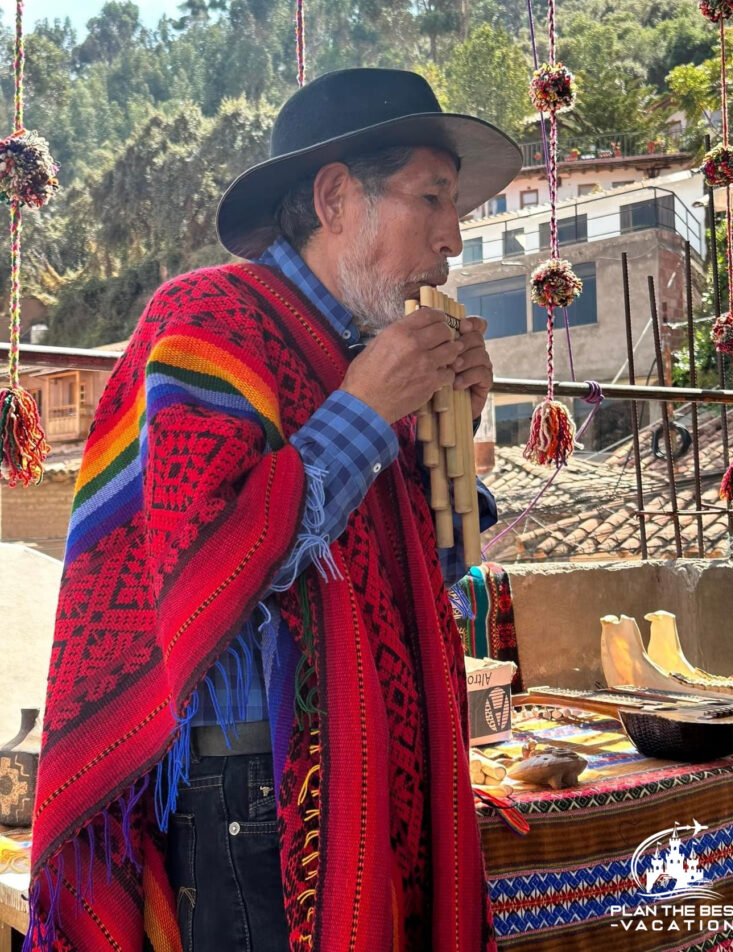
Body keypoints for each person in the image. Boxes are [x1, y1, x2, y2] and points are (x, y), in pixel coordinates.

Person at [27, 68, 522, 952]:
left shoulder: (372, 351)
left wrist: (451, 438)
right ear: (337, 197)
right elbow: (205, 557)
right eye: (432, 198)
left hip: (390, 772)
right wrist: (365, 412)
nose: (454, 237)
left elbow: (436, 578)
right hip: (257, 795)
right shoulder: (206, 318)